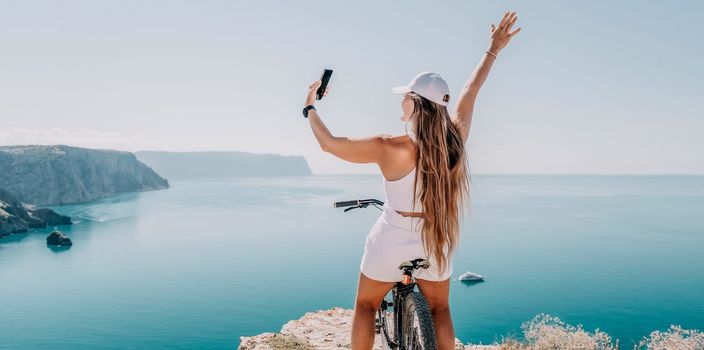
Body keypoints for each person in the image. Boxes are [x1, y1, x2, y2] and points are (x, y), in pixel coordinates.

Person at [303, 11, 521, 350]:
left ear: (417, 104)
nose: (401, 99)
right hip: (437, 238)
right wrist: (493, 49)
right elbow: (470, 89)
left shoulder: (389, 146)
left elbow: (329, 144)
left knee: (365, 305)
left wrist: (310, 107)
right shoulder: (455, 141)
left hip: (392, 238)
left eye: (405, 95)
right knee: (440, 308)